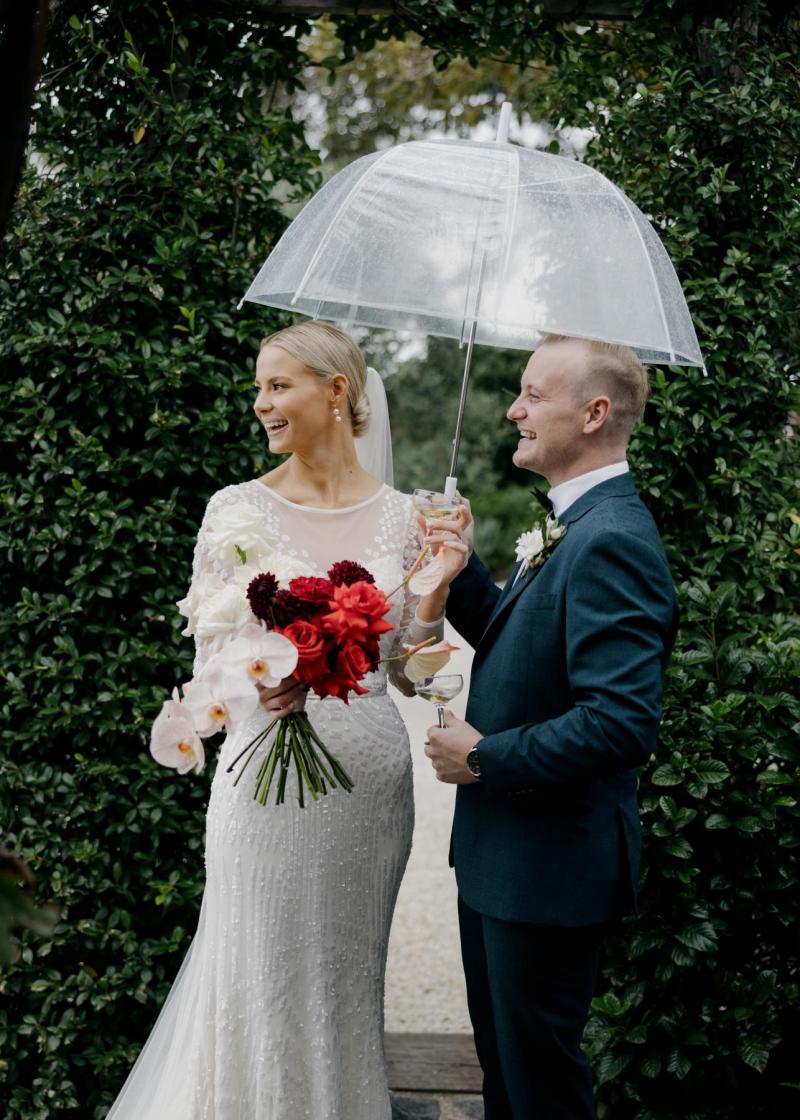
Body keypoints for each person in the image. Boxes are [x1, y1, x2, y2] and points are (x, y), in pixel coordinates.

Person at [106, 320, 450, 1120]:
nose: (261, 402)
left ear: (337, 392)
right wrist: (255, 687)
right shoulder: (234, 509)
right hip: (260, 777)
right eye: (260, 386)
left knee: (342, 978)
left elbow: (409, 674)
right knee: (250, 969)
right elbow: (208, 665)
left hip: (366, 783)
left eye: (278, 384)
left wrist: (431, 595)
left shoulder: (406, 519)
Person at [421, 334, 679, 1119]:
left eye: (535, 394)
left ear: (594, 413)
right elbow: (525, 643)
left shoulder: (612, 539)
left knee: (539, 1093)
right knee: (508, 1078)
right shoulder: (575, 522)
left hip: (547, 871)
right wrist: (462, 567)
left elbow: (621, 722)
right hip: (508, 862)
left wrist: (486, 757)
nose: (514, 410)